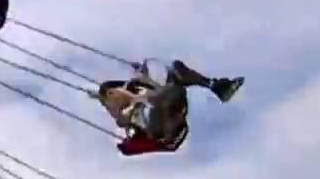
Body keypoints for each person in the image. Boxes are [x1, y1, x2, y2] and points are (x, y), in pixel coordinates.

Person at [97, 59, 244, 145]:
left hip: (167, 100)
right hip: (160, 121)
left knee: (175, 67)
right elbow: (122, 117)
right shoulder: (122, 113)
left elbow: (148, 83)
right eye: (111, 96)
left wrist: (141, 71)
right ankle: (173, 123)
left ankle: (215, 87)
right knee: (161, 98)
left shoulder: (134, 87)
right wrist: (129, 97)